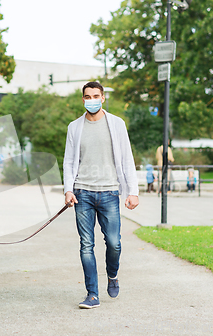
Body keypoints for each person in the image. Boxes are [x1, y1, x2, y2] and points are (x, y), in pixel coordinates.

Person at [63, 81, 139, 309]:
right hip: (82, 193)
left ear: (103, 98)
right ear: (83, 99)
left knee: (114, 243)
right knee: (86, 244)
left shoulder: (116, 124)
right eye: (87, 96)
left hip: (109, 193)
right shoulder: (74, 127)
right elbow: (68, 161)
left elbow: (127, 158)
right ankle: (92, 294)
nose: (92, 100)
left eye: (96, 95)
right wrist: (68, 189)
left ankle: (112, 275)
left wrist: (133, 192)